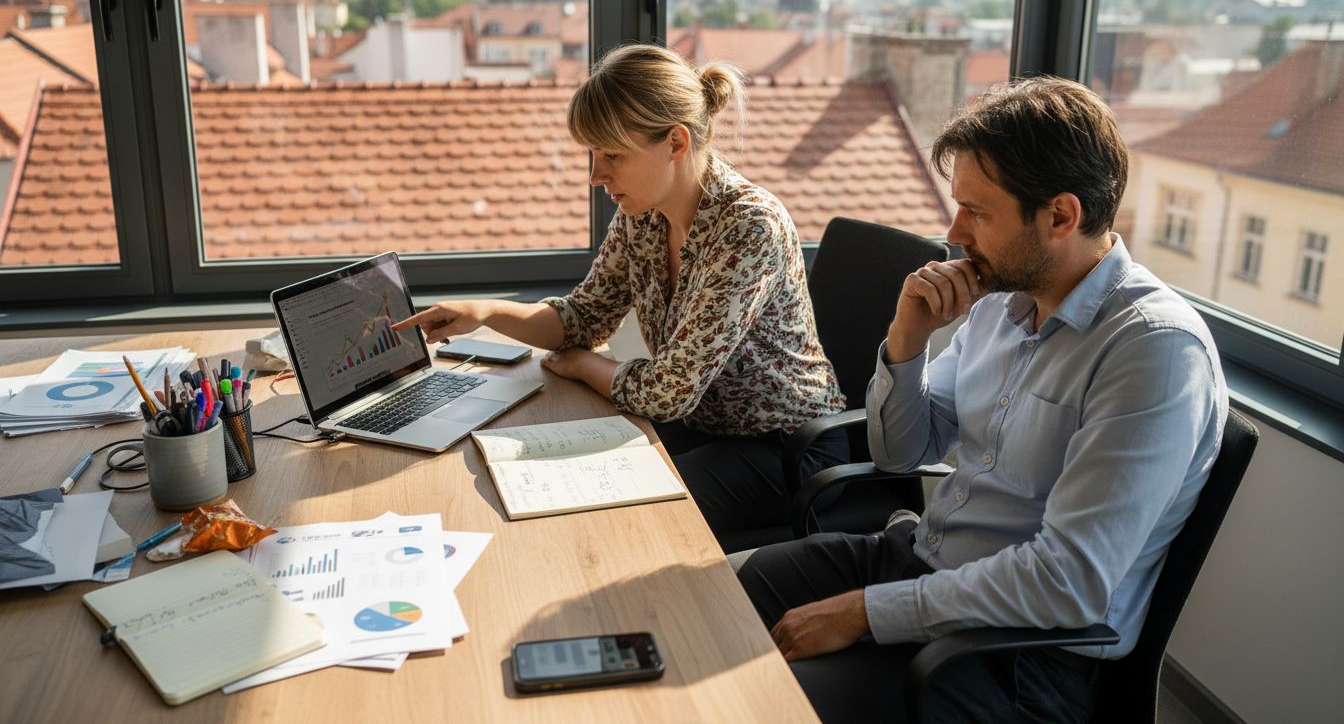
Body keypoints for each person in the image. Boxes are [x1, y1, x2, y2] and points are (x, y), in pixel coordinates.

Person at [733, 76, 1228, 723]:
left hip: (1016, 655)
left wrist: (862, 612)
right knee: (728, 596)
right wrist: (907, 340)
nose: (953, 230)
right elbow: (902, 452)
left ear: (1060, 216)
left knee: (760, 702)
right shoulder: (1001, 301)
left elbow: (1066, 582)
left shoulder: (1153, 353)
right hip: (923, 563)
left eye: (977, 211)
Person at [394, 44, 847, 541]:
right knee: (547, 477)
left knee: (616, 519)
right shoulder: (644, 214)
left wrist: (584, 364)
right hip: (704, 427)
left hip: (789, 449)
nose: (595, 176)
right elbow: (583, 319)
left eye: (611, 154)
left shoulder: (748, 225)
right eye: (593, 154)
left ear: (675, 142)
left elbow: (667, 390)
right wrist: (484, 311)